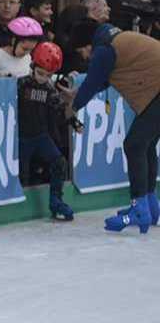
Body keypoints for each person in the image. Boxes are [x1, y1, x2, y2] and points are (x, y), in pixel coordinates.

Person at [69, 19, 160, 233]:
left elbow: (92, 82)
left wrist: (73, 107)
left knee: (135, 145)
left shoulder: (104, 50)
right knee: (144, 145)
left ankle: (140, 208)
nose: (83, 57)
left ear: (88, 44)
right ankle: (149, 203)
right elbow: (103, 80)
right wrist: (77, 96)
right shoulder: (117, 39)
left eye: (81, 51)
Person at [17, 42, 83, 220]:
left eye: (48, 75)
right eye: (40, 73)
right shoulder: (21, 85)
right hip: (22, 138)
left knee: (59, 162)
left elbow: (60, 109)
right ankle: (17, 205)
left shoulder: (50, 89)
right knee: (22, 172)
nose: (43, 78)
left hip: (41, 136)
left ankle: (56, 200)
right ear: (32, 67)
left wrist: (75, 122)